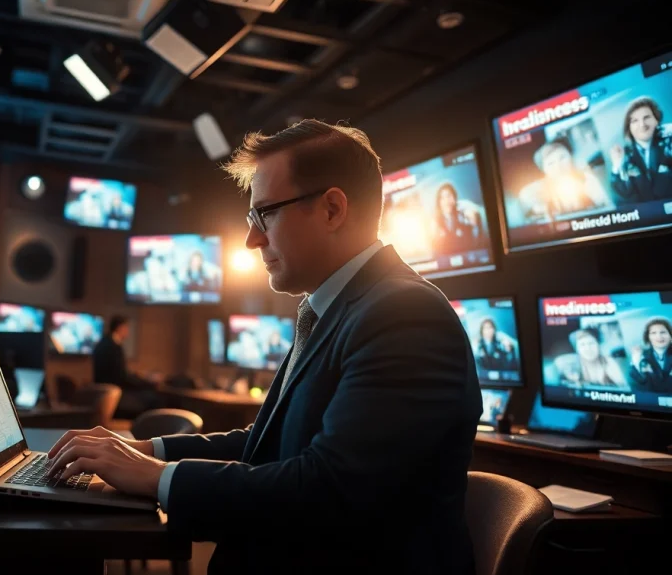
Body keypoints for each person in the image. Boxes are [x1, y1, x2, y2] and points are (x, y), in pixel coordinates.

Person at [47, 120, 482, 573]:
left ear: (333, 209)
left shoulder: (405, 313)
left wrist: (157, 478)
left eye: (265, 214)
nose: (252, 239)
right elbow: (267, 445)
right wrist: (143, 451)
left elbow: (330, 491)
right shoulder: (339, 308)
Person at [92, 315, 158, 418]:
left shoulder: (104, 342)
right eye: (126, 328)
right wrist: (147, 383)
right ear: (120, 327)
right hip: (114, 395)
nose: (128, 331)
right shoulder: (112, 346)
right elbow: (121, 377)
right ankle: (145, 432)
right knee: (153, 398)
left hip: (106, 393)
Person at [610, 96, 672, 203]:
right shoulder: (626, 155)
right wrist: (617, 165)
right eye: (635, 121)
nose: (642, 124)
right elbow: (624, 192)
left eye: (646, 117)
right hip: (648, 215)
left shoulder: (668, 142)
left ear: (656, 120)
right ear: (628, 127)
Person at [629, 318, 672, 394]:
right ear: (648, 337)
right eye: (653, 333)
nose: (659, 336)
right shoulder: (640, 357)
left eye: (663, 332)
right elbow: (636, 384)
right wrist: (636, 363)